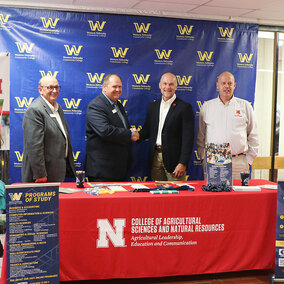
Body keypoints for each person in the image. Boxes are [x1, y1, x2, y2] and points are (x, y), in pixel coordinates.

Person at [197, 71, 259, 179]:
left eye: (230, 83)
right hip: (213, 161)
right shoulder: (207, 107)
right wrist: (204, 158)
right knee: (213, 195)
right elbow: (200, 137)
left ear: (234, 85)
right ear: (217, 85)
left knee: (238, 196)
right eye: (223, 83)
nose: (227, 86)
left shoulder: (245, 106)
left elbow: (253, 135)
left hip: (239, 162)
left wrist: (248, 160)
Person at [139, 72, 195, 181]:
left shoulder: (184, 108)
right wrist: (136, 135)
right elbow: (147, 130)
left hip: (175, 161)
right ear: (160, 85)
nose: (167, 87)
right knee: (158, 194)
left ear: (176, 87)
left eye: (171, 84)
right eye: (165, 84)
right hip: (155, 157)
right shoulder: (153, 106)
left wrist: (183, 163)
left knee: (177, 196)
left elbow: (188, 138)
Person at [84, 74, 139, 182]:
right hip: (102, 171)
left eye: (120, 87)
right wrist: (131, 134)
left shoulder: (118, 105)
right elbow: (105, 131)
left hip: (119, 169)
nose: (118, 90)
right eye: (114, 86)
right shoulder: (96, 105)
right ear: (104, 87)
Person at [22, 76, 75, 182]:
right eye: (50, 87)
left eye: (56, 87)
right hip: (42, 177)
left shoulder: (58, 108)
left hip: (57, 172)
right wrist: (40, 174)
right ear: (40, 90)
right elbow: (35, 146)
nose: (54, 91)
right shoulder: (35, 110)